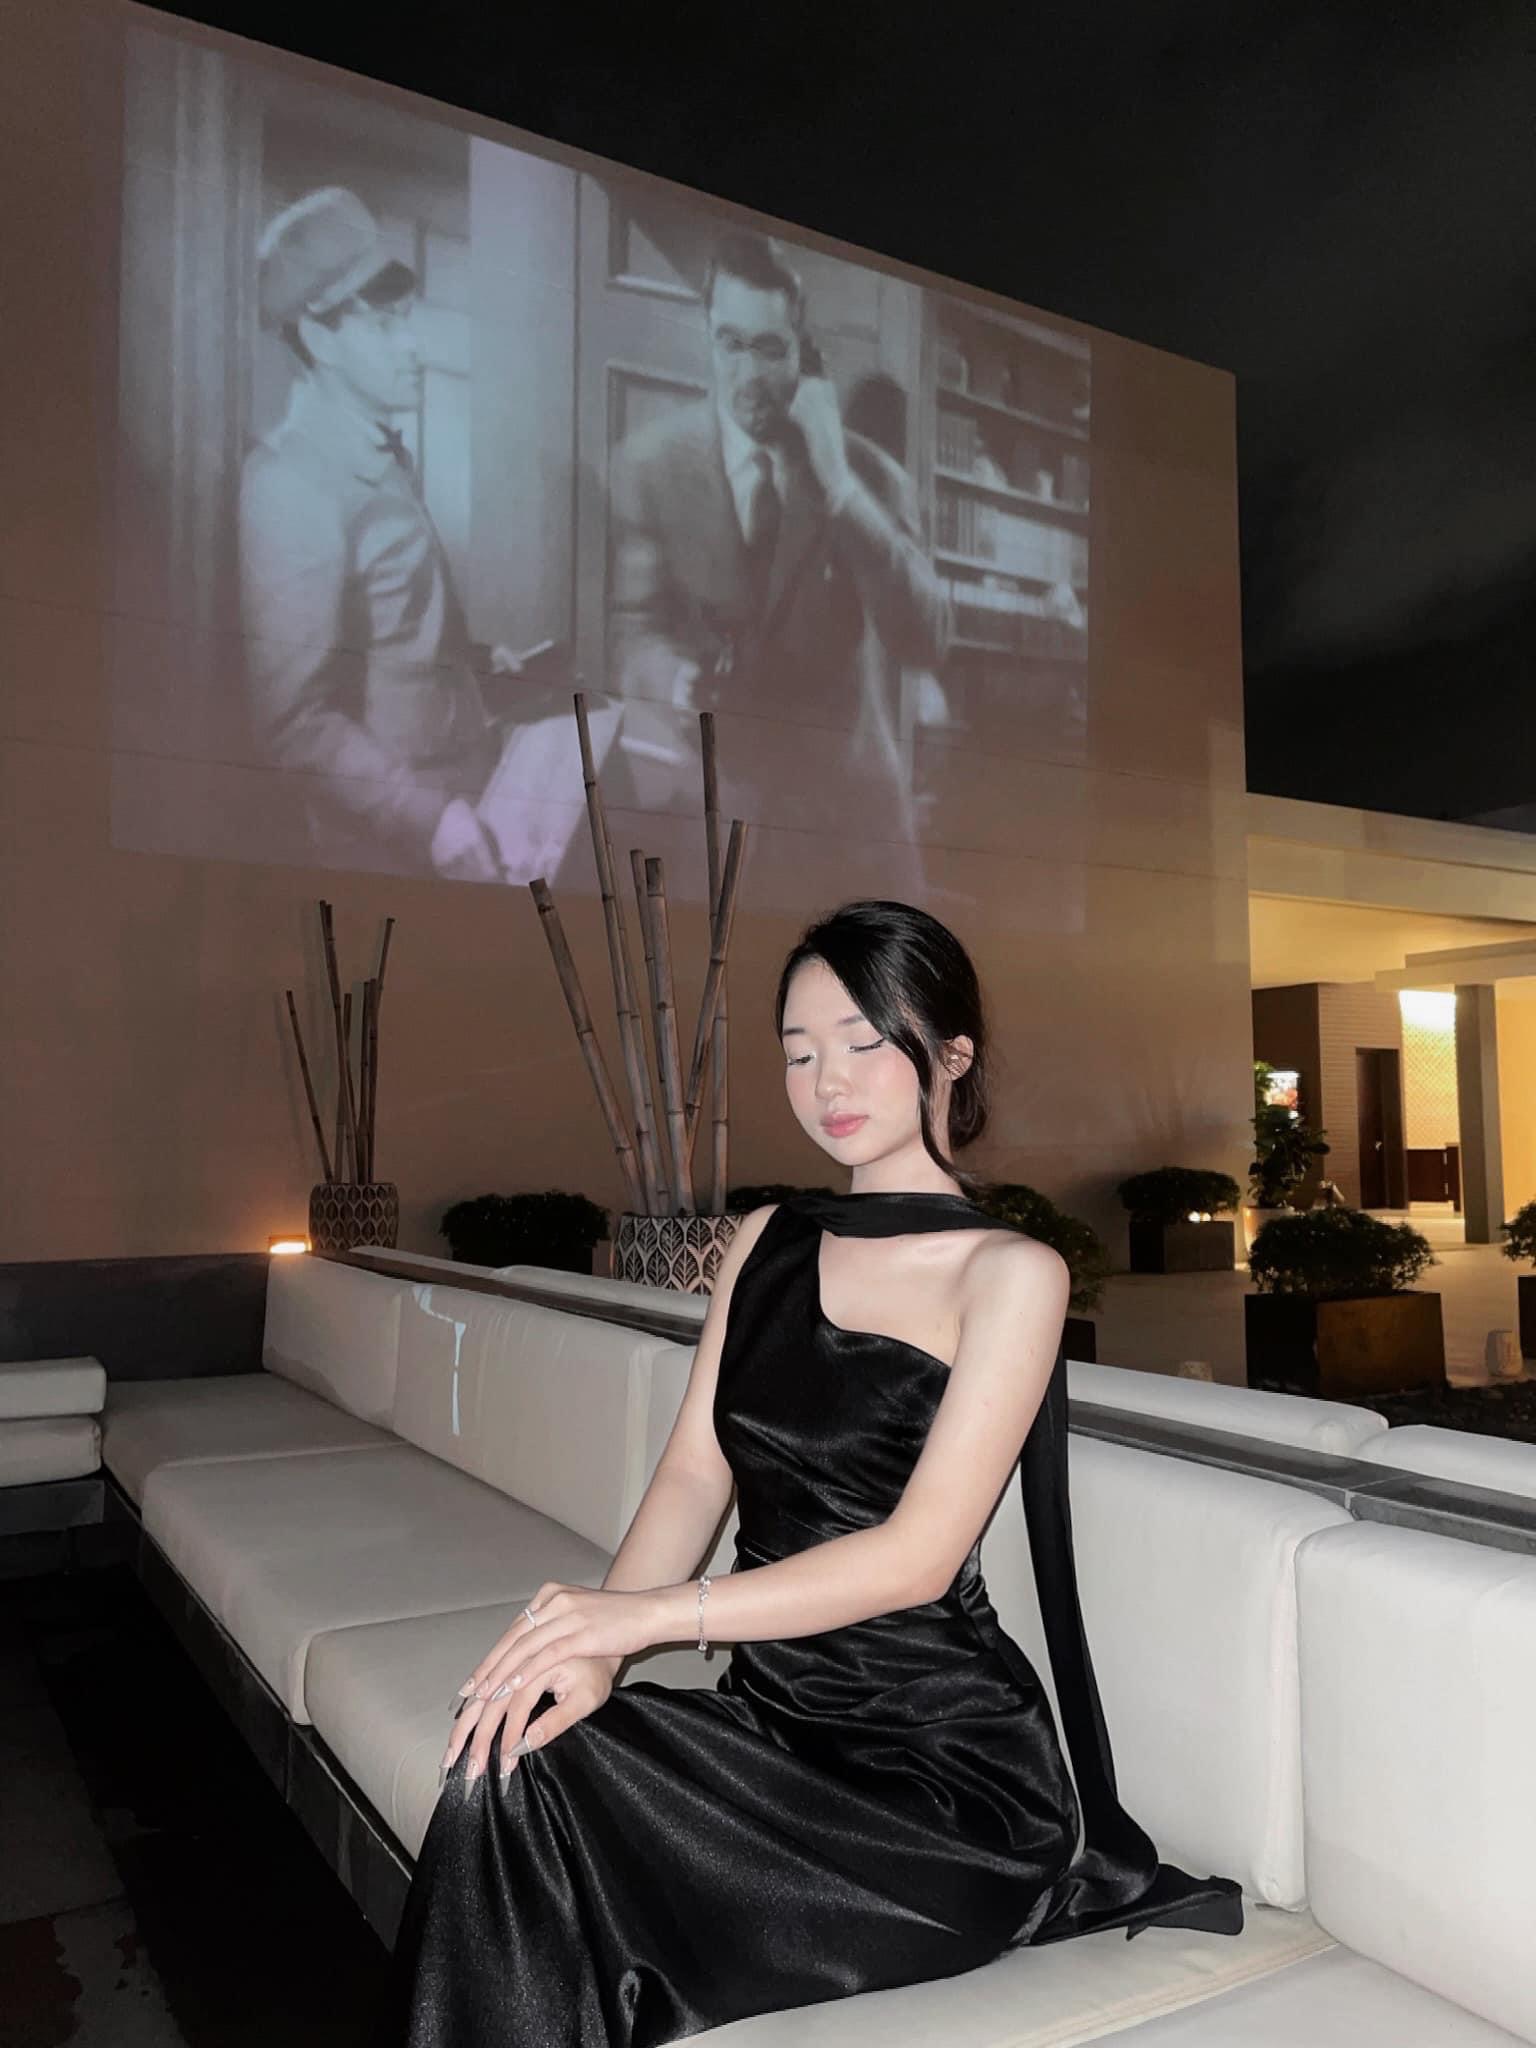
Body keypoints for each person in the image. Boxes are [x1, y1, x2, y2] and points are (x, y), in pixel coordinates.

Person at [388, 900, 1242, 2047]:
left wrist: (646, 1616)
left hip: (942, 1788)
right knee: (509, 1761)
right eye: (798, 1051)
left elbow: (916, 1557)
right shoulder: (765, 1239)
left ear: (951, 1054)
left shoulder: (1010, 1272)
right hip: (774, 1728)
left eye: (861, 1040)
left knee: (554, 1832)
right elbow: (694, 1474)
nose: (825, 1079)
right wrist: (592, 1650)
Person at [240, 187, 504, 881]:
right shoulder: (292, 483)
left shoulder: (378, 452)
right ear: (320, 337)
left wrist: (482, 663)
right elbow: (294, 723)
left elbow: (394, 633)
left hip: (460, 800)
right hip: (392, 843)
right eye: (384, 326)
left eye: (405, 319)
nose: (413, 346)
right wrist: (427, 817)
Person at [608, 234, 949, 741]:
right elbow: (634, 631)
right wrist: (673, 681)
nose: (748, 376)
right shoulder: (650, 466)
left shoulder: (870, 475)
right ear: (707, 335)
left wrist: (840, 485)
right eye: (730, 343)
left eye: (769, 349)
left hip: (836, 782)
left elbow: (926, 639)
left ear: (802, 351)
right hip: (712, 773)